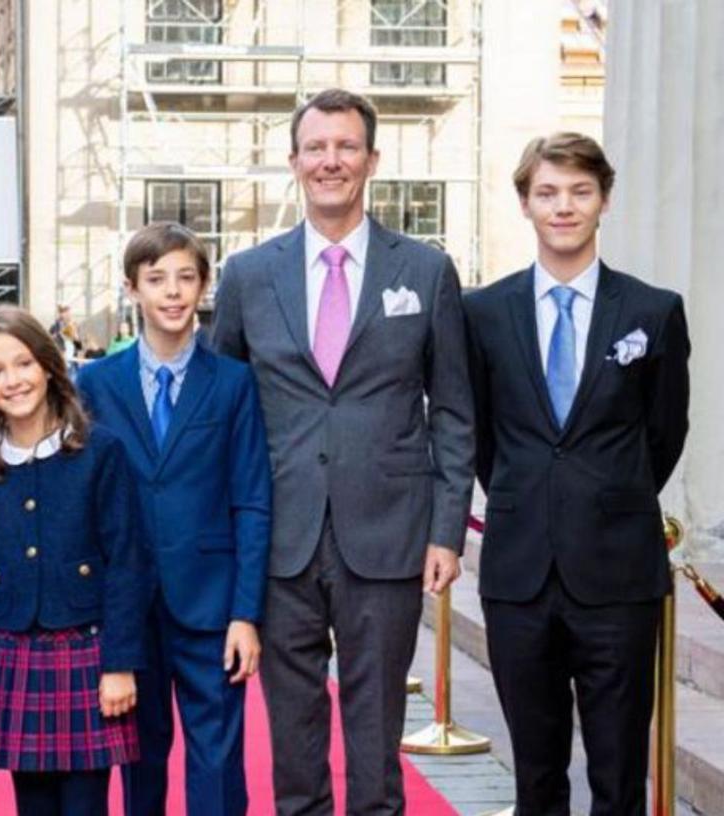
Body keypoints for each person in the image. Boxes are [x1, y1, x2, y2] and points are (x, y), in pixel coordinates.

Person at [210, 88, 475, 816]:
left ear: (372, 159)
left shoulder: (424, 271)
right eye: (317, 147)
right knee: (293, 744)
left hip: (388, 534)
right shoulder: (248, 274)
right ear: (294, 161)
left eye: (346, 146)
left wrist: (446, 530)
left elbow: (452, 410)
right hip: (279, 536)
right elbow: (222, 408)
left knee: (375, 736)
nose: (331, 160)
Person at [464, 133, 690, 816]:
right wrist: (534, 494)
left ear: (604, 201)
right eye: (548, 193)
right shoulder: (482, 313)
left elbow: (664, 434)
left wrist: (604, 497)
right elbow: (480, 434)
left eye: (580, 192)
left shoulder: (652, 312)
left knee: (619, 773)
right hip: (519, 572)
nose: (564, 207)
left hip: (619, 574)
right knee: (535, 771)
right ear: (526, 204)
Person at [78, 222, 271, 816]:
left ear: (204, 286)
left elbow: (252, 498)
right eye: (156, 278)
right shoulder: (96, 383)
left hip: (211, 604)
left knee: (217, 757)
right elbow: (86, 499)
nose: (172, 292)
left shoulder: (234, 382)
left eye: (186, 277)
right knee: (140, 759)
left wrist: (245, 613)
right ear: (132, 289)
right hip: (130, 605)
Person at [0, 307, 150, 816]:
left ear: (48, 365)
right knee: (33, 806)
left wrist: (120, 665)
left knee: (87, 805)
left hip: (88, 654)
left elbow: (128, 562)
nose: (13, 380)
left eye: (23, 364)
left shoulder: (98, 452)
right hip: (11, 654)